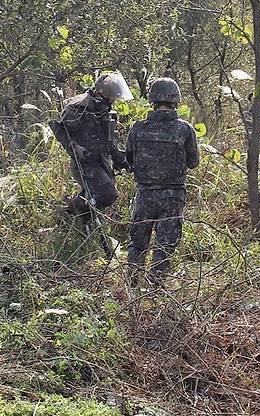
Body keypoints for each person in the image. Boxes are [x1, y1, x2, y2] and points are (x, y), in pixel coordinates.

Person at [125, 78, 199, 287]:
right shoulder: (185, 130)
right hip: (173, 197)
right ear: (176, 100)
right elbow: (193, 162)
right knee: (165, 246)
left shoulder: (138, 128)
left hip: (145, 195)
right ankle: (155, 290)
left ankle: (132, 287)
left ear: (152, 100)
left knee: (138, 244)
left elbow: (128, 159)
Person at [50, 71, 132, 219]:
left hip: (102, 161)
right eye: (112, 97)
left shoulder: (106, 112)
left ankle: (73, 218)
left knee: (96, 197)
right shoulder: (78, 108)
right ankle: (72, 211)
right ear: (102, 94)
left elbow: (109, 141)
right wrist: (75, 148)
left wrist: (121, 159)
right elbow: (60, 130)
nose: (114, 100)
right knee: (107, 195)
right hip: (84, 163)